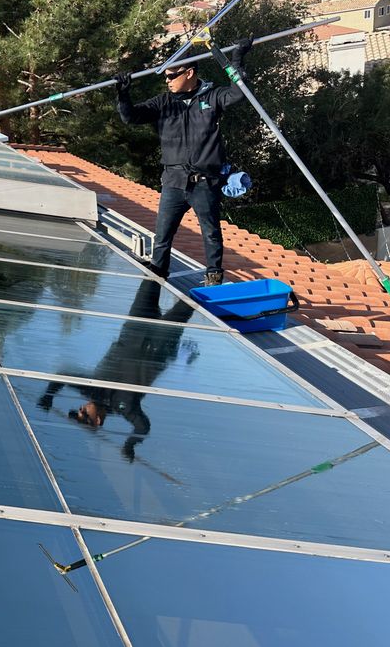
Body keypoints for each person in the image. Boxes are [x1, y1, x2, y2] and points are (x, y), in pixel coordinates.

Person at [115, 38, 253, 286]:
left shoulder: (212, 97)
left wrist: (237, 59)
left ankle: (213, 276)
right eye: (165, 77)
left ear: (189, 73)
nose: (167, 81)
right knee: (162, 235)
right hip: (174, 181)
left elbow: (239, 92)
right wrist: (123, 93)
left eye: (172, 76)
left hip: (204, 182)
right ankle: (158, 272)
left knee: (211, 232)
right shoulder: (164, 103)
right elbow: (131, 117)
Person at [37, 281, 195, 461]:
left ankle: (162, 256)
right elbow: (143, 427)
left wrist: (48, 395)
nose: (81, 409)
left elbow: (62, 376)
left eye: (78, 411)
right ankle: (213, 276)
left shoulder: (91, 389)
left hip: (136, 326)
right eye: (84, 415)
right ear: (98, 421)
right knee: (192, 300)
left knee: (153, 275)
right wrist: (130, 444)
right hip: (161, 342)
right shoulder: (125, 406)